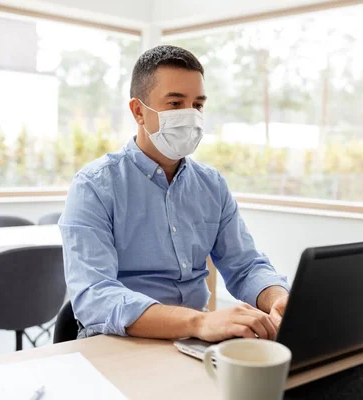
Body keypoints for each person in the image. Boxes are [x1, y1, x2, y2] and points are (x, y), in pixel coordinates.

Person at [60, 45, 290, 342]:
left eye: (197, 105)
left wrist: (277, 298)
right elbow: (95, 297)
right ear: (138, 111)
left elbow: (245, 266)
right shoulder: (93, 186)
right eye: (175, 103)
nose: (190, 115)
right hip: (119, 343)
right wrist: (198, 322)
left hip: (195, 341)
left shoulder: (211, 185)